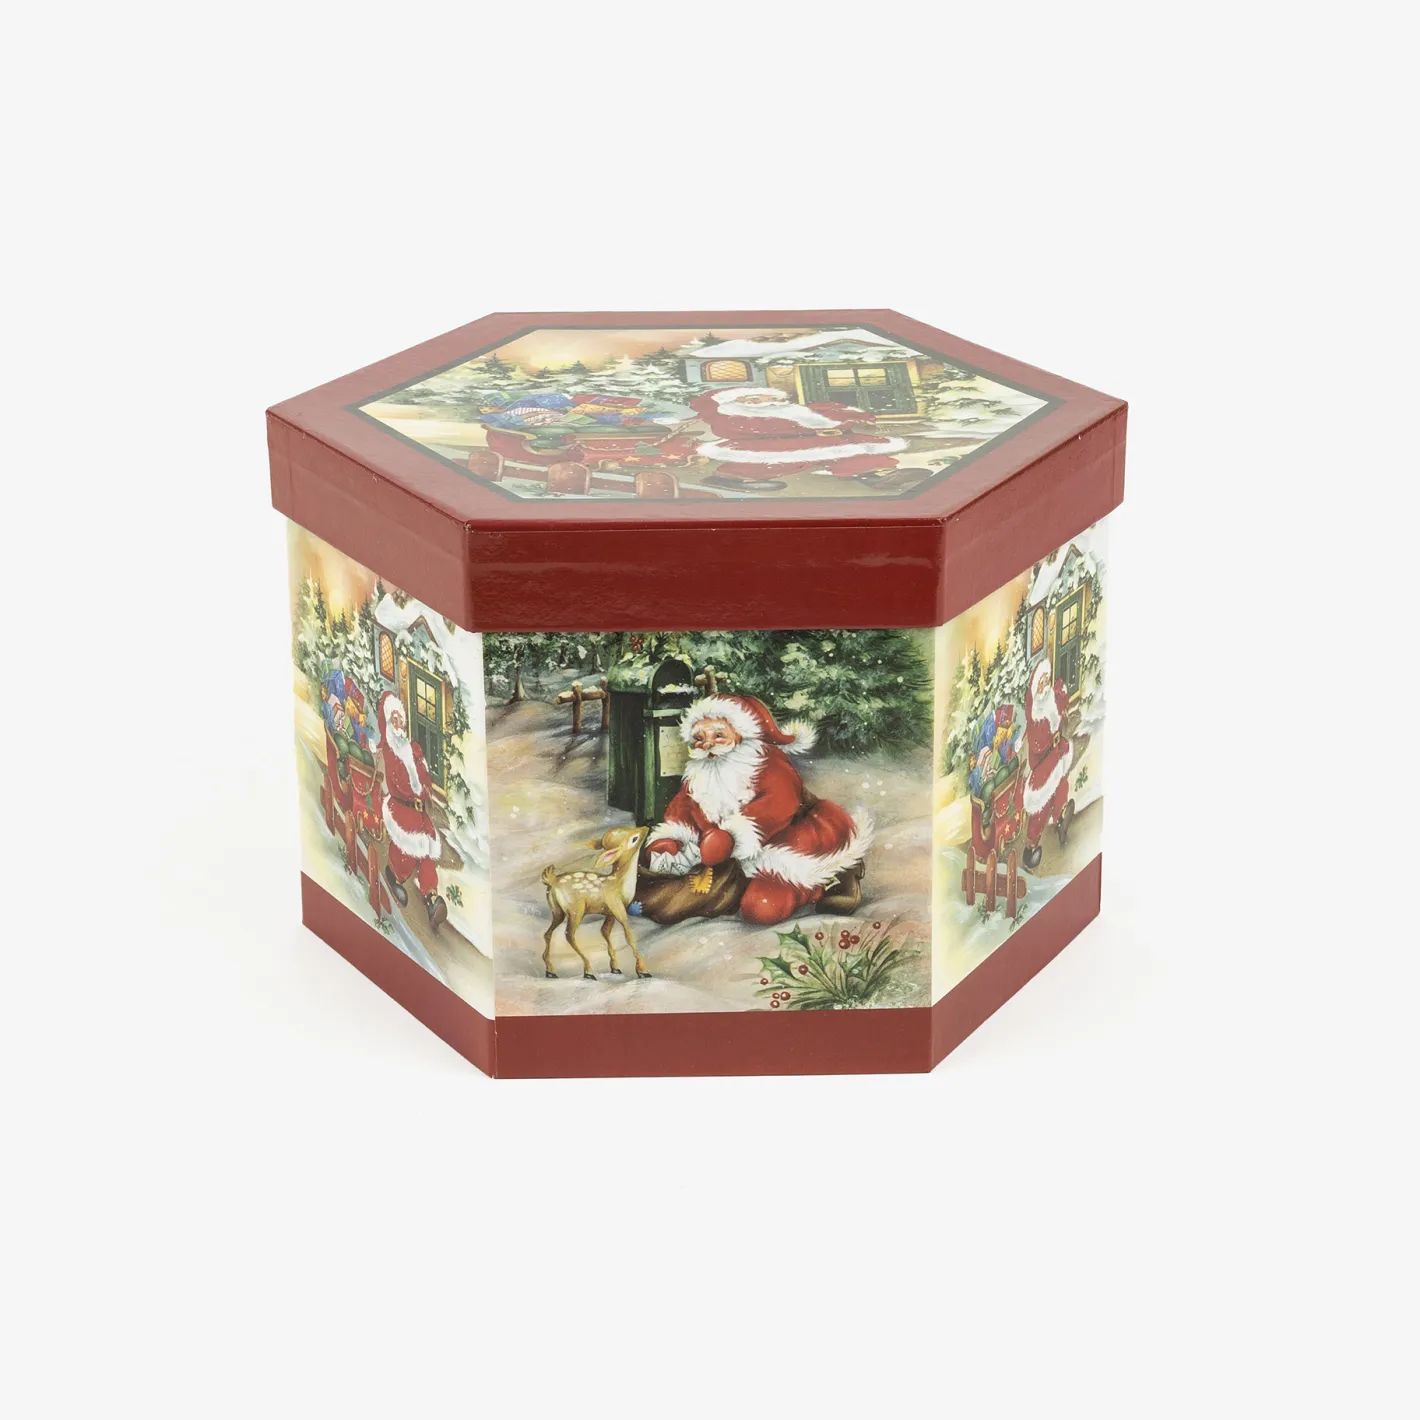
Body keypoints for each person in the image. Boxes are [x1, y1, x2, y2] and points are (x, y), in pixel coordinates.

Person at [646, 694, 872, 925]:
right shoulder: (699, 772)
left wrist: (731, 837)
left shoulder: (764, 761)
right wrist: (672, 839)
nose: (707, 744)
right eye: (699, 737)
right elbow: (683, 808)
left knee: (762, 908)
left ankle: (827, 880)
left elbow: (779, 803)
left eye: (718, 735)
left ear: (740, 733)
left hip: (790, 840)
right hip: (732, 855)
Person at [690, 386, 908, 490]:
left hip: (813, 440)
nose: (760, 402)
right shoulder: (732, 416)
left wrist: (851, 418)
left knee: (851, 447)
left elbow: (830, 418)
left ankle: (872, 474)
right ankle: (734, 480)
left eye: (768, 398)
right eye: (751, 399)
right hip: (760, 446)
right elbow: (747, 429)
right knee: (766, 463)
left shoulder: (797, 411)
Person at [376, 692, 447, 928]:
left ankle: (432, 898)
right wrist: (416, 786)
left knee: (427, 853)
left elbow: (423, 774)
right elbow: (401, 782)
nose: (398, 724)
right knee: (405, 854)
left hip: (418, 811)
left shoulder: (413, 748)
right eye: (393, 719)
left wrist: (425, 785)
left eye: (400, 719)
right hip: (402, 810)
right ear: (388, 723)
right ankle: (394, 876)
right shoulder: (390, 750)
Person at [1021, 659, 1075, 870]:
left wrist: (1062, 702)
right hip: (1042, 765)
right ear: (1035, 688)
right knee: (1041, 804)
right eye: (1041, 682)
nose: (1045, 686)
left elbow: (1058, 706)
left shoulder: (1049, 701)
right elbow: (1037, 745)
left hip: (1055, 755)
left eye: (1046, 680)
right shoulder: (1035, 717)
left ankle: (1061, 815)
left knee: (1060, 783)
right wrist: (1053, 742)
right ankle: (1031, 847)